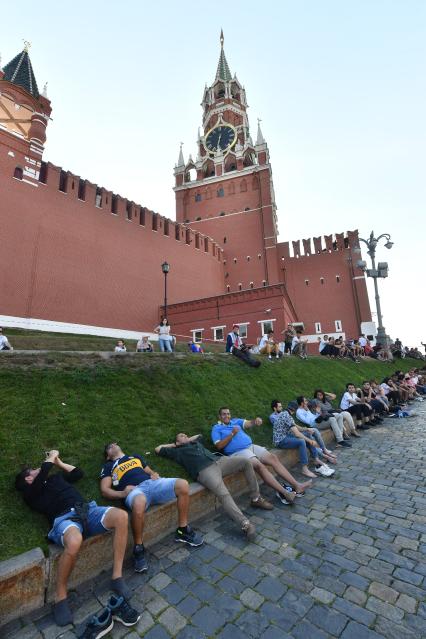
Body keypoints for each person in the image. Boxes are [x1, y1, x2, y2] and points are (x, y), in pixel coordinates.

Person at [15, 450, 132, 627]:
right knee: (75, 541)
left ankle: (117, 577)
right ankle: (60, 598)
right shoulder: (31, 493)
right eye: (32, 470)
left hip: (86, 510)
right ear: (28, 479)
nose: (37, 469)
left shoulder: (54, 479)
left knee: (122, 517)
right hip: (64, 520)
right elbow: (43, 474)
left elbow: (78, 473)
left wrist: (59, 463)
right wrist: (49, 459)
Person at [100, 443, 203, 573]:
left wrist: (154, 473)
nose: (113, 446)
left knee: (182, 484)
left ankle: (183, 530)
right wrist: (122, 493)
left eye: (114, 444)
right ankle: (138, 548)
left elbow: (149, 471)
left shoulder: (134, 457)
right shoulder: (109, 466)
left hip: (152, 483)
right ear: (108, 457)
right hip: (135, 491)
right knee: (139, 502)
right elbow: (104, 490)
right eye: (109, 447)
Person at [155, 433, 272, 541]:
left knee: (246, 462)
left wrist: (187, 440)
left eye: (186, 435)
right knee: (224, 494)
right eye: (181, 436)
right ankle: (245, 524)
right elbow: (158, 449)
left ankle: (256, 498)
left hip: (220, 462)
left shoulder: (195, 442)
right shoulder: (177, 451)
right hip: (205, 471)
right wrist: (176, 445)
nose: (185, 435)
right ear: (177, 442)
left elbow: (199, 436)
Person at [211, 407, 312, 504]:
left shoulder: (235, 421)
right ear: (219, 416)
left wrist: (255, 421)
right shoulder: (216, 428)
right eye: (224, 414)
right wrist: (232, 434)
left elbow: (248, 423)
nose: (227, 416)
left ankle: (297, 485)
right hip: (238, 452)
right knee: (260, 466)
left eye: (228, 413)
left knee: (273, 458)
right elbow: (219, 446)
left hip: (250, 446)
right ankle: (285, 493)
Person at [270, 401, 335, 478]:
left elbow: (296, 427)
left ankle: (315, 458)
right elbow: (297, 434)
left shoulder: (285, 414)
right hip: (280, 440)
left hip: (286, 436)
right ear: (294, 410)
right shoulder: (286, 416)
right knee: (301, 441)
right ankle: (304, 469)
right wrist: (310, 441)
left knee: (307, 434)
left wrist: (307, 429)